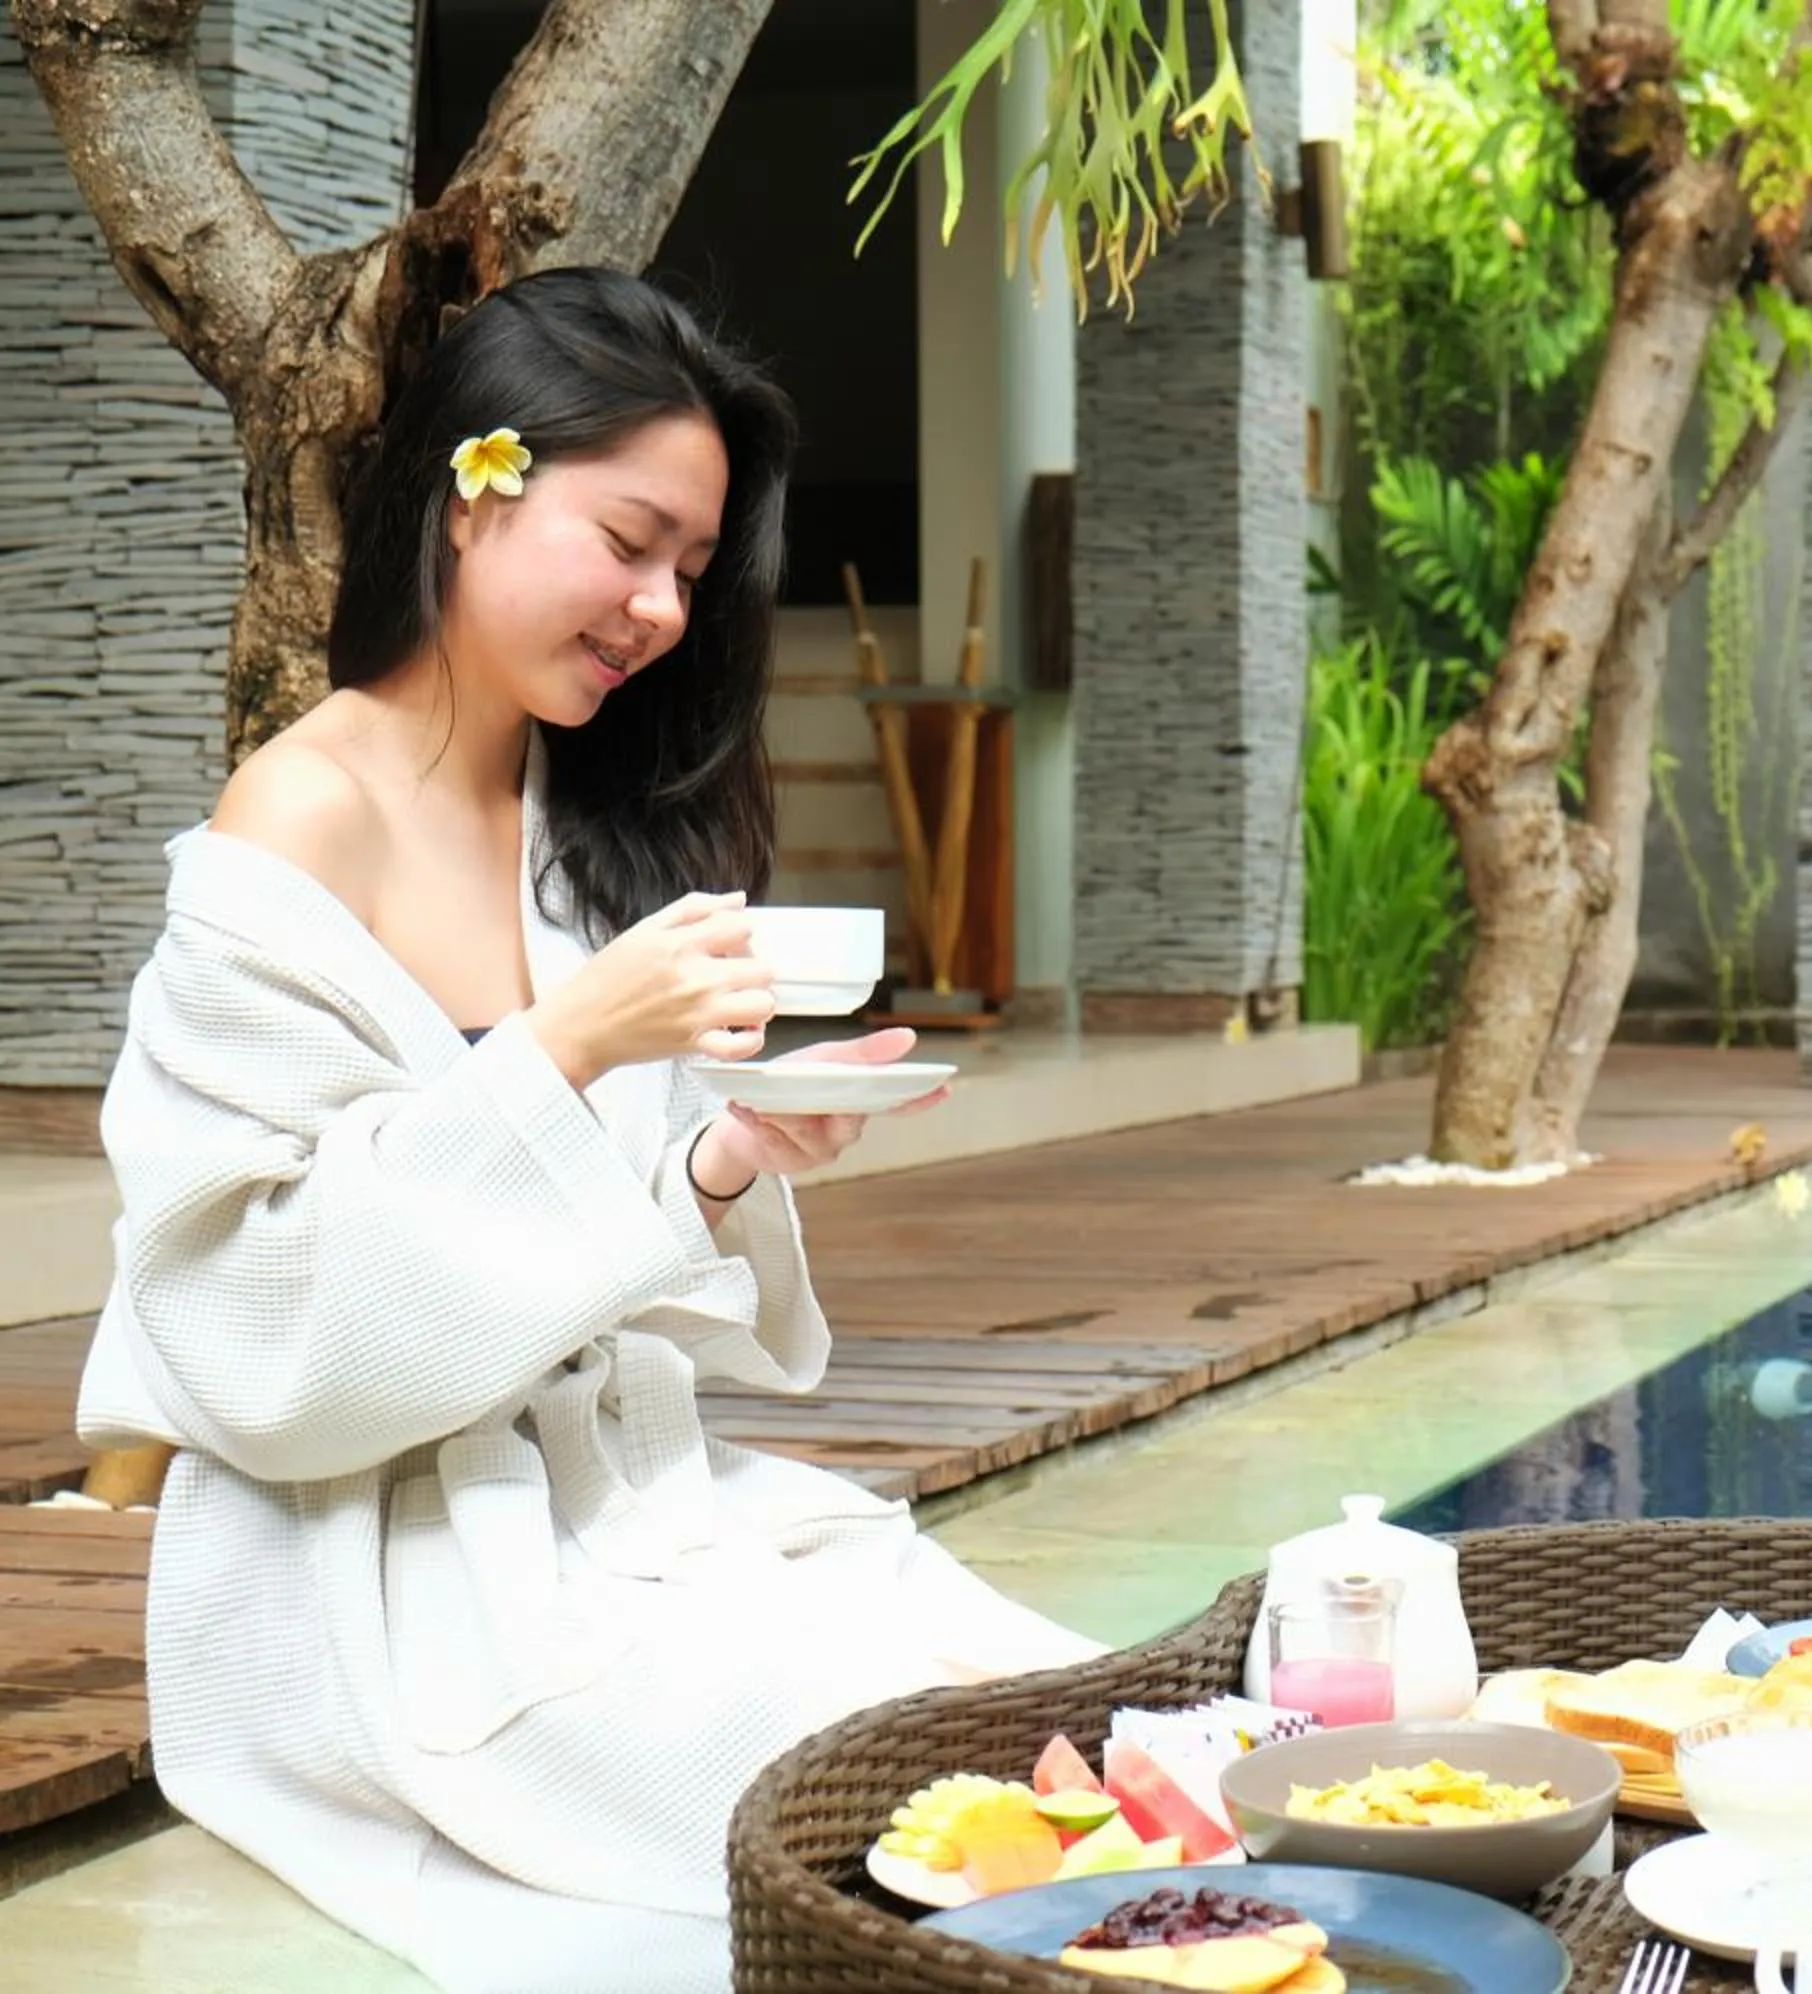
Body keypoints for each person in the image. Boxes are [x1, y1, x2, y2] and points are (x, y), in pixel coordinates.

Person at [76, 268, 1102, 1994]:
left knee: (1034, 1685)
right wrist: (565, 1044)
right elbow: (252, 1319)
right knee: (879, 1776)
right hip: (385, 1565)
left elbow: (577, 1238)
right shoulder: (296, 818)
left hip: (623, 1502)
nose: (660, 608)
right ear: (478, 484)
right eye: (631, 540)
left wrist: (720, 1164)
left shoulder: (578, 823)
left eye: (692, 572)